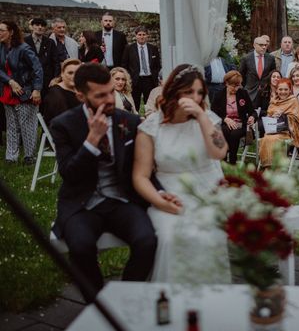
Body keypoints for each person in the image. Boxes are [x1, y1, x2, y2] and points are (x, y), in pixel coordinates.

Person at [50, 63, 157, 294]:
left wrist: (159, 192)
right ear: (81, 95)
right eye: (100, 95)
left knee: (147, 241)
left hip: (121, 200)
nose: (109, 99)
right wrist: (92, 141)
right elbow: (69, 173)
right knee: (80, 247)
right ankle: (97, 303)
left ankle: (126, 296)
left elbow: (144, 168)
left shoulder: (130, 121)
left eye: (111, 91)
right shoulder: (63, 125)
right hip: (82, 204)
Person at [132, 64, 229, 284]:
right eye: (188, 92)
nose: (195, 98)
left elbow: (219, 152)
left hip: (207, 193)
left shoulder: (208, 120)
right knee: (170, 237)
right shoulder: (151, 126)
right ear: (174, 91)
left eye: (199, 93)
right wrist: (160, 201)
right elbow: (140, 176)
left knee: (209, 234)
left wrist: (202, 117)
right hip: (169, 194)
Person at [0, 20, 43, 164]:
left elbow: (38, 69)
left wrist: (37, 90)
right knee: (11, 125)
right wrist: (10, 81)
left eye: (2, 30)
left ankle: (29, 157)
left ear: (11, 32)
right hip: (8, 91)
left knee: (28, 126)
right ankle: (11, 157)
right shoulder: (0, 47)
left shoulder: (24, 48)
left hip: (26, 91)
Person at [212, 70, 256, 164]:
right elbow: (213, 113)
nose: (237, 88)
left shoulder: (243, 93)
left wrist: (252, 117)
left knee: (234, 134)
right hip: (225, 124)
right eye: (234, 85)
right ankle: (223, 158)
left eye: (238, 85)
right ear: (227, 83)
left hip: (241, 124)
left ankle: (232, 160)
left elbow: (252, 111)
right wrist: (225, 119)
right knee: (225, 130)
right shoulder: (219, 95)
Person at [258, 78, 299, 168]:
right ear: (277, 90)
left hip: (287, 132)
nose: (283, 92)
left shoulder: (294, 100)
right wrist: (272, 116)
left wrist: (283, 116)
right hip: (273, 130)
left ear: (290, 90)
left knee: (274, 139)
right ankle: (268, 166)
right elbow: (268, 117)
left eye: (286, 89)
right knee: (266, 139)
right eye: (280, 89)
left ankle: (276, 167)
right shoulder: (273, 102)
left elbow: (298, 120)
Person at [121, 26, 161, 111]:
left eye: (144, 34)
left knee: (150, 103)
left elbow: (157, 65)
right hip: (135, 80)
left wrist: (155, 75)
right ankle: (135, 120)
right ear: (136, 36)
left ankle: (150, 120)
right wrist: (129, 77)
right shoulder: (129, 48)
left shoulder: (153, 48)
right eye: (139, 34)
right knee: (135, 103)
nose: (142, 37)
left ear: (147, 36)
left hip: (149, 80)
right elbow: (124, 64)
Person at [25, 18, 57, 99]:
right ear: (31, 27)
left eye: (42, 25)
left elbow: (56, 62)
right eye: (37, 25)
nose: (40, 27)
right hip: (28, 81)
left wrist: (55, 78)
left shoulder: (50, 42)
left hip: (47, 82)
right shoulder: (24, 41)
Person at [43, 58, 82, 125]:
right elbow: (62, 121)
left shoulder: (81, 90)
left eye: (77, 73)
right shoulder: (55, 94)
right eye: (70, 73)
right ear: (62, 74)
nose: (74, 76)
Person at [239, 36, 276, 103]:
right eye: (261, 45)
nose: (264, 47)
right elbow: (241, 75)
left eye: (265, 45)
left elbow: (272, 74)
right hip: (250, 92)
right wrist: (246, 87)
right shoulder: (246, 58)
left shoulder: (271, 58)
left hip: (266, 92)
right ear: (254, 45)